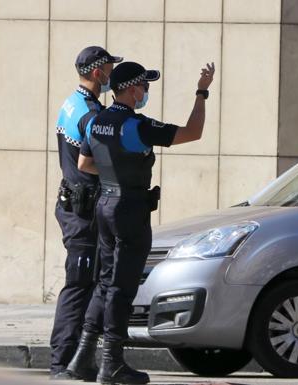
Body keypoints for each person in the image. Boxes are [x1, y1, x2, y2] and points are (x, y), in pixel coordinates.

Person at [68, 60, 215, 384]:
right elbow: (193, 132)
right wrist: (201, 92)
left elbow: (84, 162)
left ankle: (81, 358)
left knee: (105, 282)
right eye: (144, 86)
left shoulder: (96, 121)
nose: (146, 91)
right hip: (129, 211)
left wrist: (113, 175)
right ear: (132, 89)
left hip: (104, 205)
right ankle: (112, 365)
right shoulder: (137, 126)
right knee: (122, 287)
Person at [50, 46, 123, 381]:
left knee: (87, 284)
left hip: (74, 204)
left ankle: (81, 361)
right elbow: (93, 162)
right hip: (83, 212)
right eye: (109, 68)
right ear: (98, 73)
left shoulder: (72, 102)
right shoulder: (90, 114)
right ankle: (61, 363)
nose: (111, 74)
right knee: (79, 286)